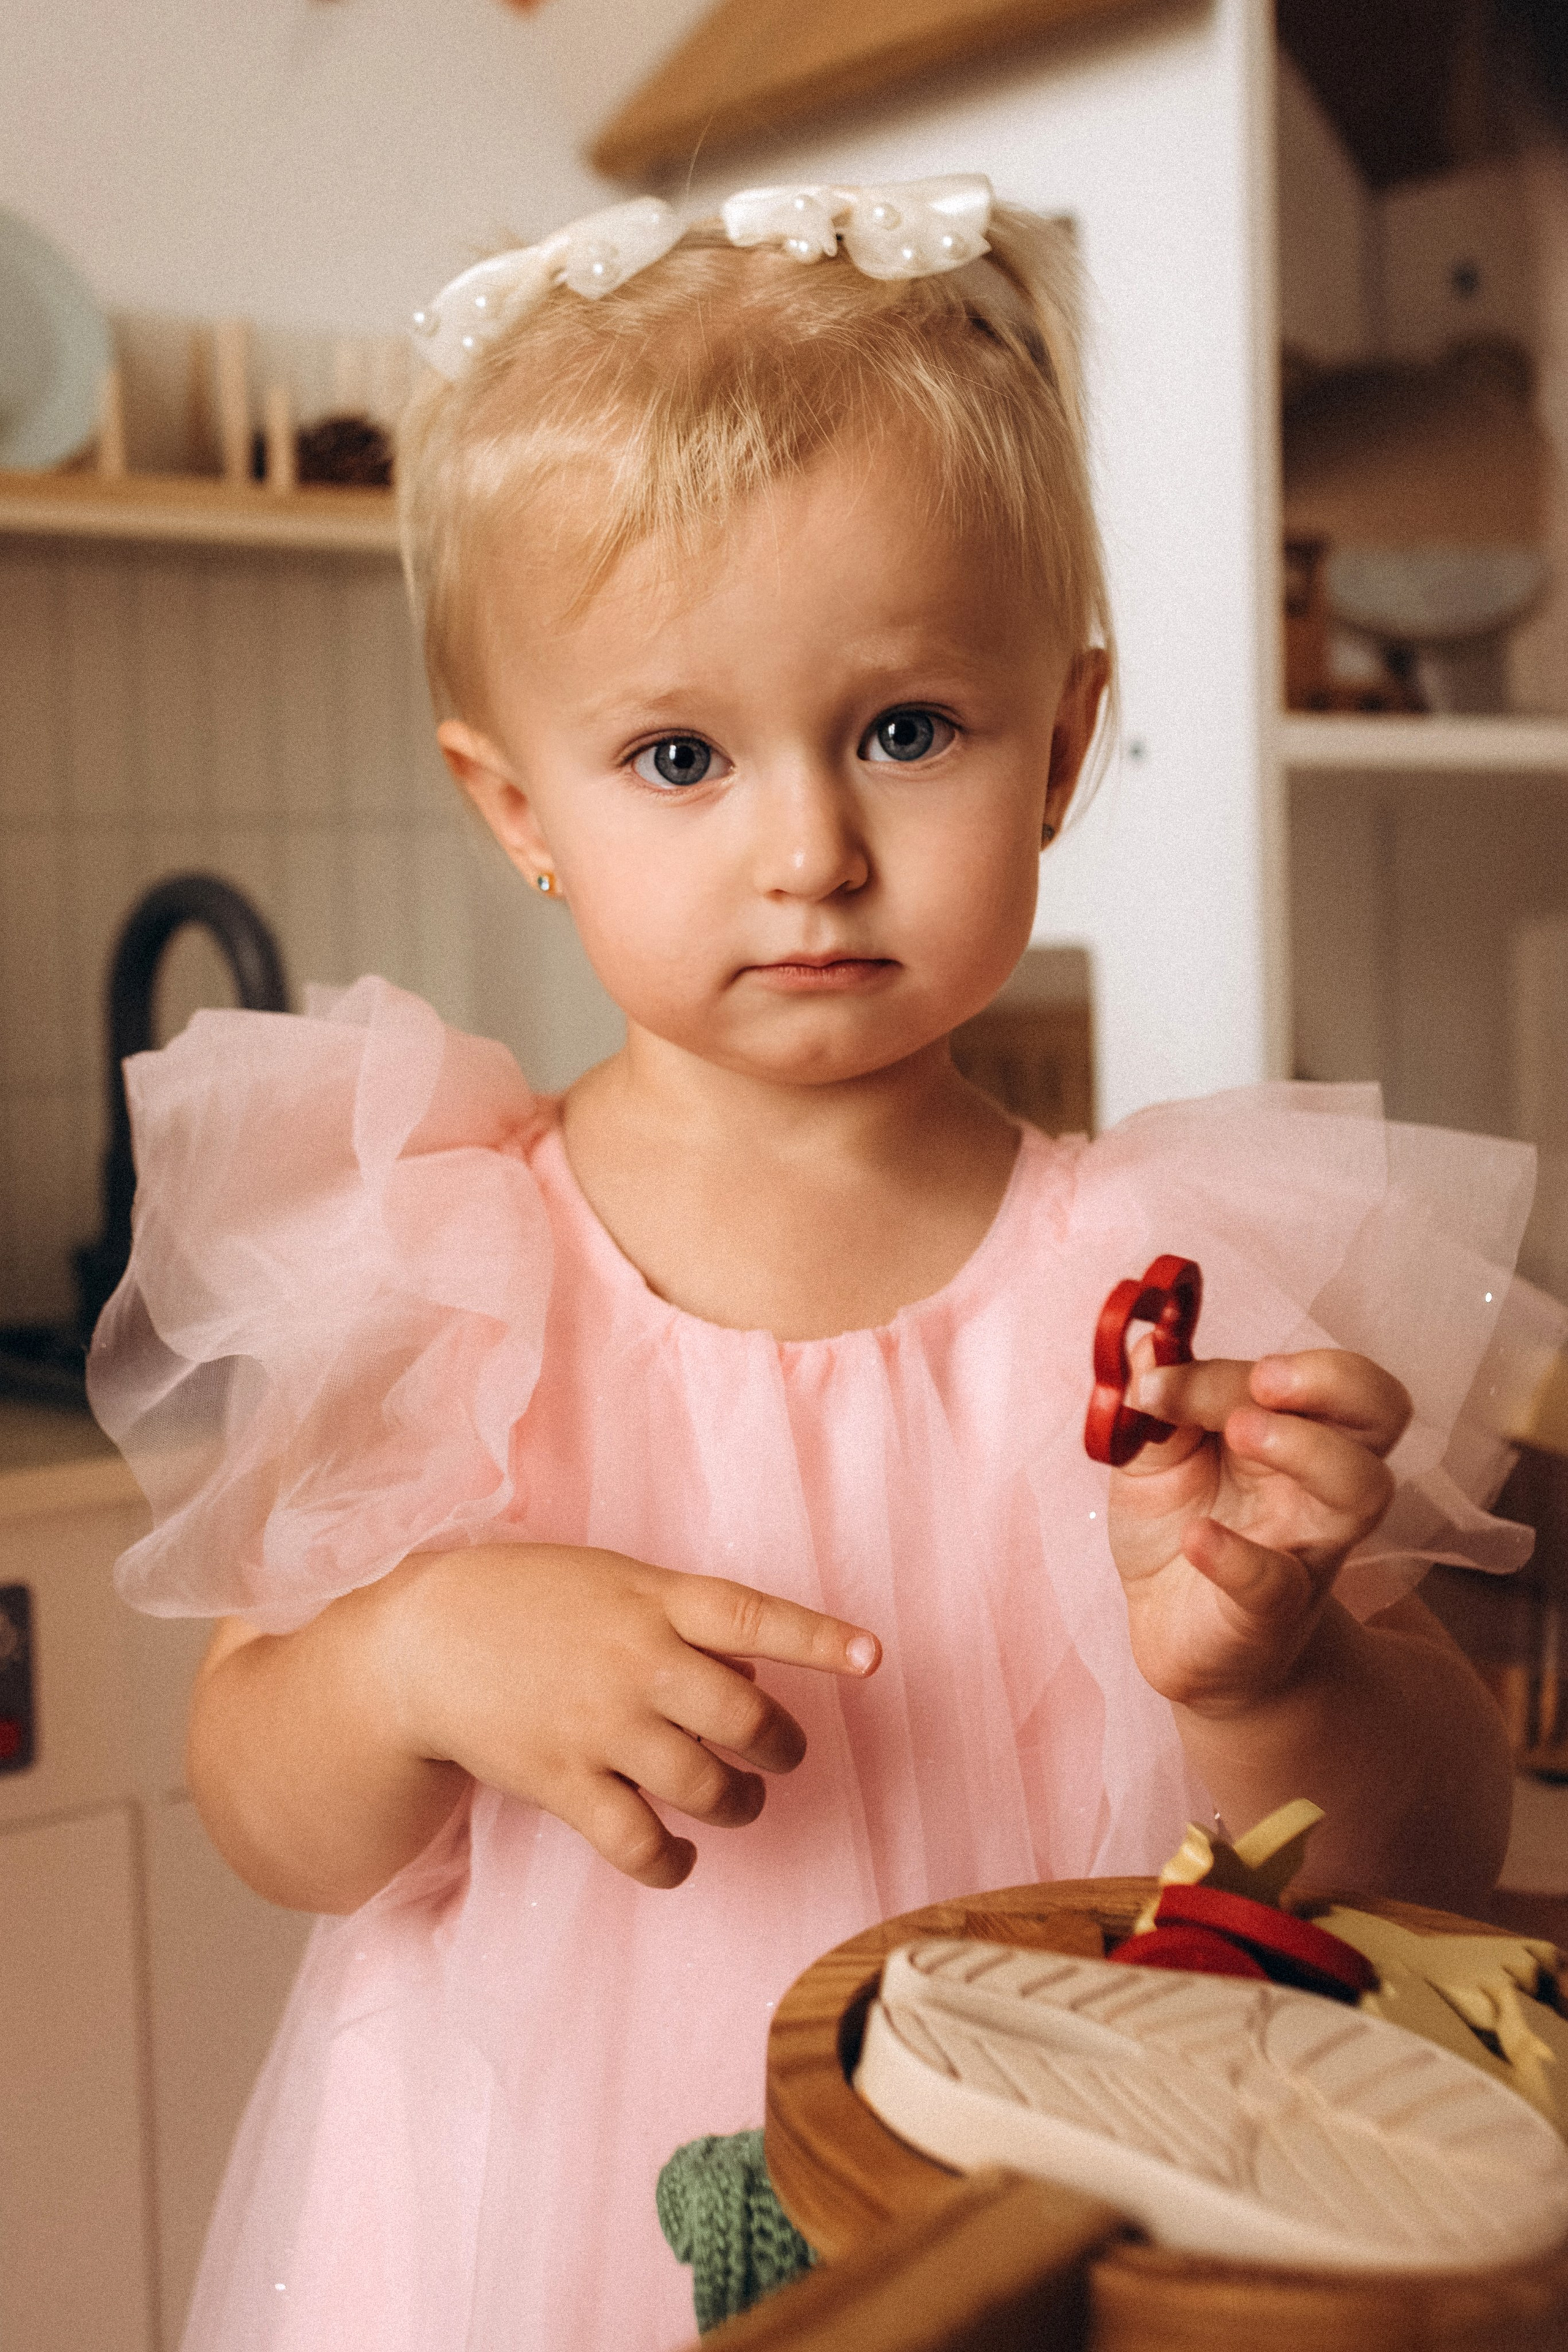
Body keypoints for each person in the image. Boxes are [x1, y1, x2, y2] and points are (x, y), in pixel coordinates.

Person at [91, 179, 1545, 2352]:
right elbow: (268, 1818)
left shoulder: (1175, 1289)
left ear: (1062, 747)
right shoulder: (444, 1261)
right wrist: (406, 1660)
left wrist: (1271, 1676)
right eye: (679, 756)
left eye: (905, 729)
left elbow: (1432, 1843)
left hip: (1031, 2222)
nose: (810, 851)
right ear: (520, 807)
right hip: (523, 2238)